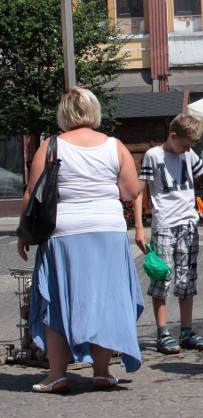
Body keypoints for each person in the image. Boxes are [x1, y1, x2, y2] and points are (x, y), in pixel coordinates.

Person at [17, 87, 143, 393]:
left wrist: (24, 232)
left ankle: (57, 374)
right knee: (107, 301)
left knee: (57, 302)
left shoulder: (50, 146)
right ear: (93, 110)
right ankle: (101, 371)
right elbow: (130, 192)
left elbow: (33, 194)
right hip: (108, 231)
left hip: (64, 233)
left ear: (63, 112)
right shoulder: (115, 146)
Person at [134, 114, 203, 355]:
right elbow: (139, 192)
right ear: (173, 136)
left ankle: (186, 330)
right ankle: (162, 332)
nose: (187, 149)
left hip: (189, 224)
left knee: (187, 279)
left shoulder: (188, 154)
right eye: (184, 144)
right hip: (164, 225)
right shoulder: (154, 156)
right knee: (162, 277)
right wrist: (139, 226)